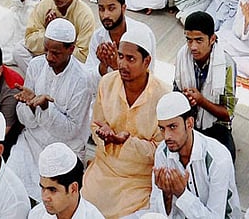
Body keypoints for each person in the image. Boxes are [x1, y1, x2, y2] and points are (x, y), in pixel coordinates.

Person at [83, 27, 170, 218]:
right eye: (120, 56)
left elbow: (162, 149)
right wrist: (105, 136)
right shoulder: (107, 83)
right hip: (105, 169)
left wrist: (126, 142)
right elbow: (95, 125)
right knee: (85, 210)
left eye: (131, 59)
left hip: (139, 179)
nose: (122, 64)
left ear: (147, 61)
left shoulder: (163, 95)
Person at [9, 18, 95, 202]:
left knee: (51, 201)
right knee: (11, 187)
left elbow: (71, 131)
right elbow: (26, 121)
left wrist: (46, 107)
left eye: (55, 53)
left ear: (71, 49)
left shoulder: (82, 80)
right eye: (46, 50)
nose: (49, 57)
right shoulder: (36, 65)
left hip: (66, 149)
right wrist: (30, 106)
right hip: (31, 143)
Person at [147, 91, 241, 218]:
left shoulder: (218, 158)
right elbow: (156, 212)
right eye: (162, 129)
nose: (167, 136)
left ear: (189, 123)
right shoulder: (163, 153)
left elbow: (216, 217)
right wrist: (167, 196)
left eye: (173, 127)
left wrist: (182, 194)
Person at [172, 12, 237, 158]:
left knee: (225, 158)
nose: (193, 47)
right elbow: (175, 97)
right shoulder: (182, 58)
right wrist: (185, 99)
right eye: (189, 40)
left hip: (216, 126)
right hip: (189, 122)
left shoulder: (226, 65)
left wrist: (201, 101)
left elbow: (227, 114)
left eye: (199, 40)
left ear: (212, 39)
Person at [14, 0, 96, 71]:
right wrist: (48, 33)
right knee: (19, 50)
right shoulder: (45, 4)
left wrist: (58, 39)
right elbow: (29, 40)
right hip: (46, 55)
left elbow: (82, 56)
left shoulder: (85, 15)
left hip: (68, 64)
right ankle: (39, 80)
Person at [85, 0, 157, 82]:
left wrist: (116, 65)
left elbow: (146, 80)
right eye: (101, 9)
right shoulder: (98, 37)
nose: (105, 15)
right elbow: (88, 79)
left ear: (123, 8)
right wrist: (103, 66)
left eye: (111, 8)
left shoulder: (142, 34)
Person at [30, 142, 104, 219]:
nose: (44, 198)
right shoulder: (36, 215)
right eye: (42, 188)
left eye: (52, 190)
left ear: (73, 188)